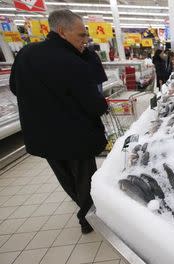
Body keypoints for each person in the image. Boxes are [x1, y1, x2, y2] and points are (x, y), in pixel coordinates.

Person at [9, 10, 108, 234]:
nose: (85, 41)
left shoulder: (25, 53)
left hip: (42, 135)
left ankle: (85, 210)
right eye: (81, 35)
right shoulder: (73, 62)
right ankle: (88, 219)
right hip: (75, 135)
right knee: (85, 179)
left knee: (66, 178)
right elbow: (95, 105)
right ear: (62, 32)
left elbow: (16, 88)